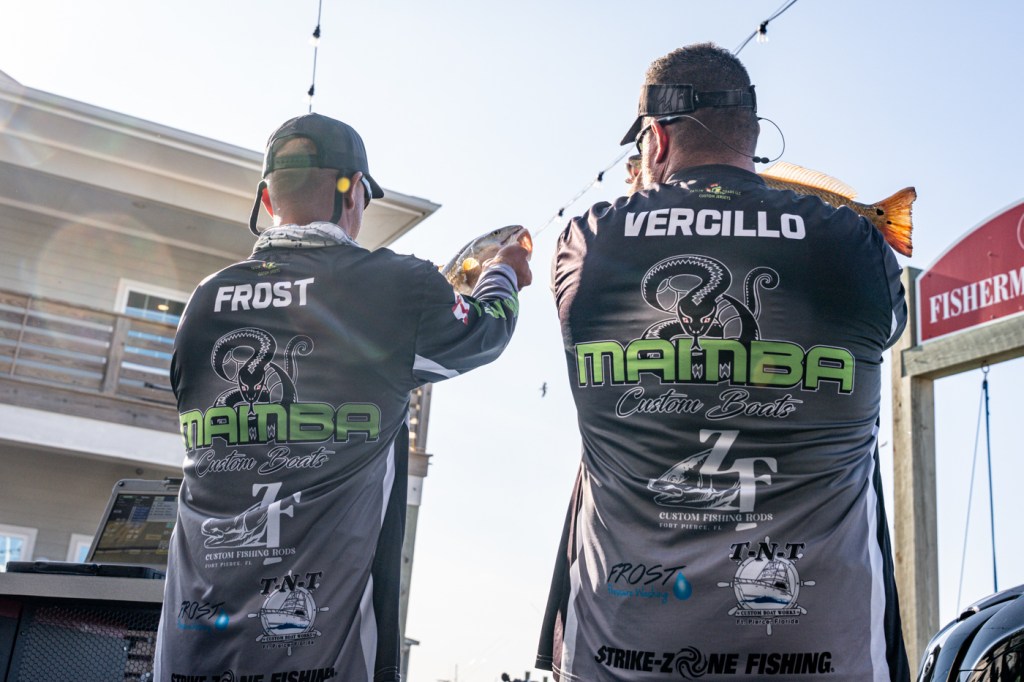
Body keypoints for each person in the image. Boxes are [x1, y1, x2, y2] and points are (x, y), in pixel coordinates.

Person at [536, 43, 910, 681]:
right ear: (753, 135)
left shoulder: (589, 242)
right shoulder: (854, 246)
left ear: (656, 140)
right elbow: (886, 326)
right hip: (826, 653)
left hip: (621, 649)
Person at [154, 113, 531, 682]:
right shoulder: (394, 285)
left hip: (190, 650)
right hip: (320, 654)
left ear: (266, 199)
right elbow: (486, 329)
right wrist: (502, 272)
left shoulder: (205, 300)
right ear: (353, 192)